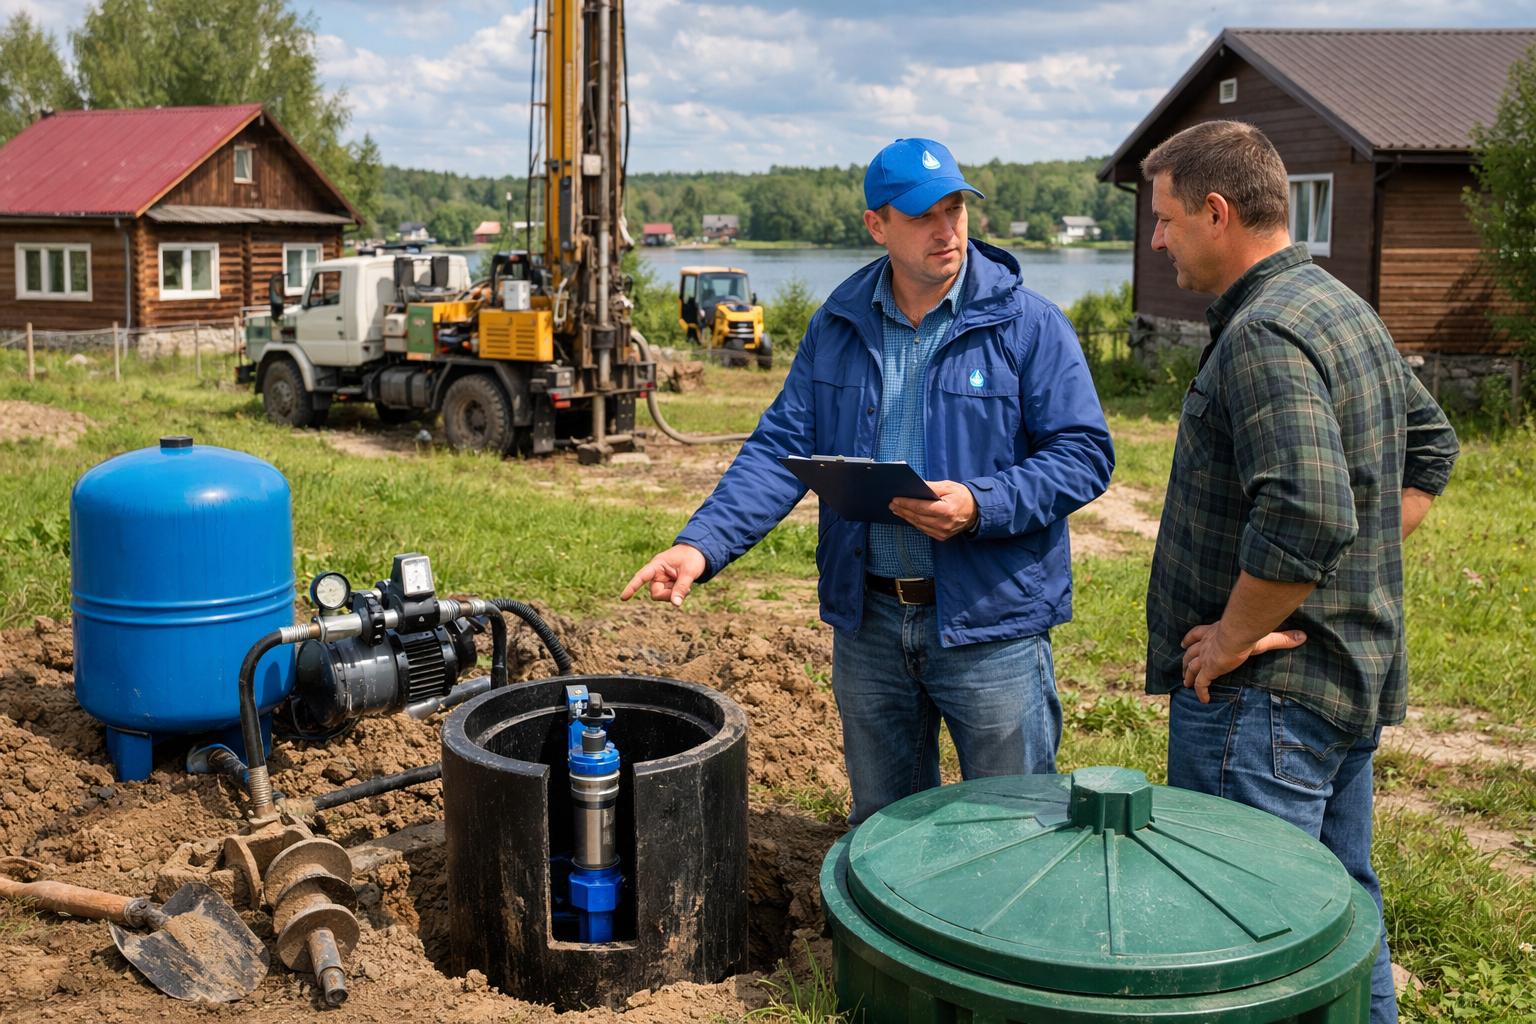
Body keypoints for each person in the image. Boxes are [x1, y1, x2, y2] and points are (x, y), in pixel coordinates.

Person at [622, 137, 1114, 825]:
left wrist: (981, 504)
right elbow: (780, 448)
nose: (947, 230)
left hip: (991, 625)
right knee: (885, 829)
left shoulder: (1029, 326)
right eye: (922, 216)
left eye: (955, 209)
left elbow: (1085, 453)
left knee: (1018, 826)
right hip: (872, 625)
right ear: (876, 226)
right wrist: (700, 546)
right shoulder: (839, 327)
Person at [1141, 120, 1459, 1024]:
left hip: (1265, 701)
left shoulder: (1267, 332)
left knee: (1255, 933)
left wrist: (1235, 635)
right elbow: (1431, 447)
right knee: (1343, 905)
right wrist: (1348, 568)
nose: (1157, 241)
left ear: (1216, 210)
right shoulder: (1336, 304)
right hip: (1339, 679)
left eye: (1165, 220)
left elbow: (1310, 512)